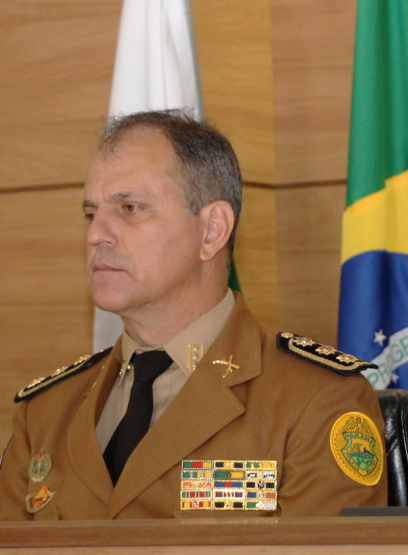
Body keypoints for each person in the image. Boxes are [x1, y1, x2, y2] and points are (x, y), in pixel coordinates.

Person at [0, 111, 387, 519]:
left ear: (212, 231)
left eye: (130, 208)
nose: (96, 234)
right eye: (91, 214)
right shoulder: (45, 412)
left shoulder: (316, 402)